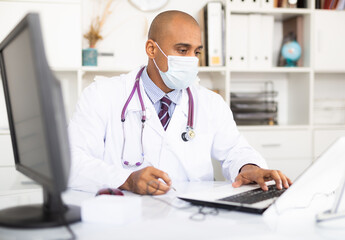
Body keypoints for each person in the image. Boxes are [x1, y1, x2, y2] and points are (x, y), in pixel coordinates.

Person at [68, 10, 292, 195]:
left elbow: (235, 150)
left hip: (192, 218)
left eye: (196, 52)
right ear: (152, 49)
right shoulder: (102, 95)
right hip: (124, 215)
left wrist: (249, 168)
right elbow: (72, 161)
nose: (191, 60)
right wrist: (126, 179)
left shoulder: (210, 103)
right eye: (182, 50)